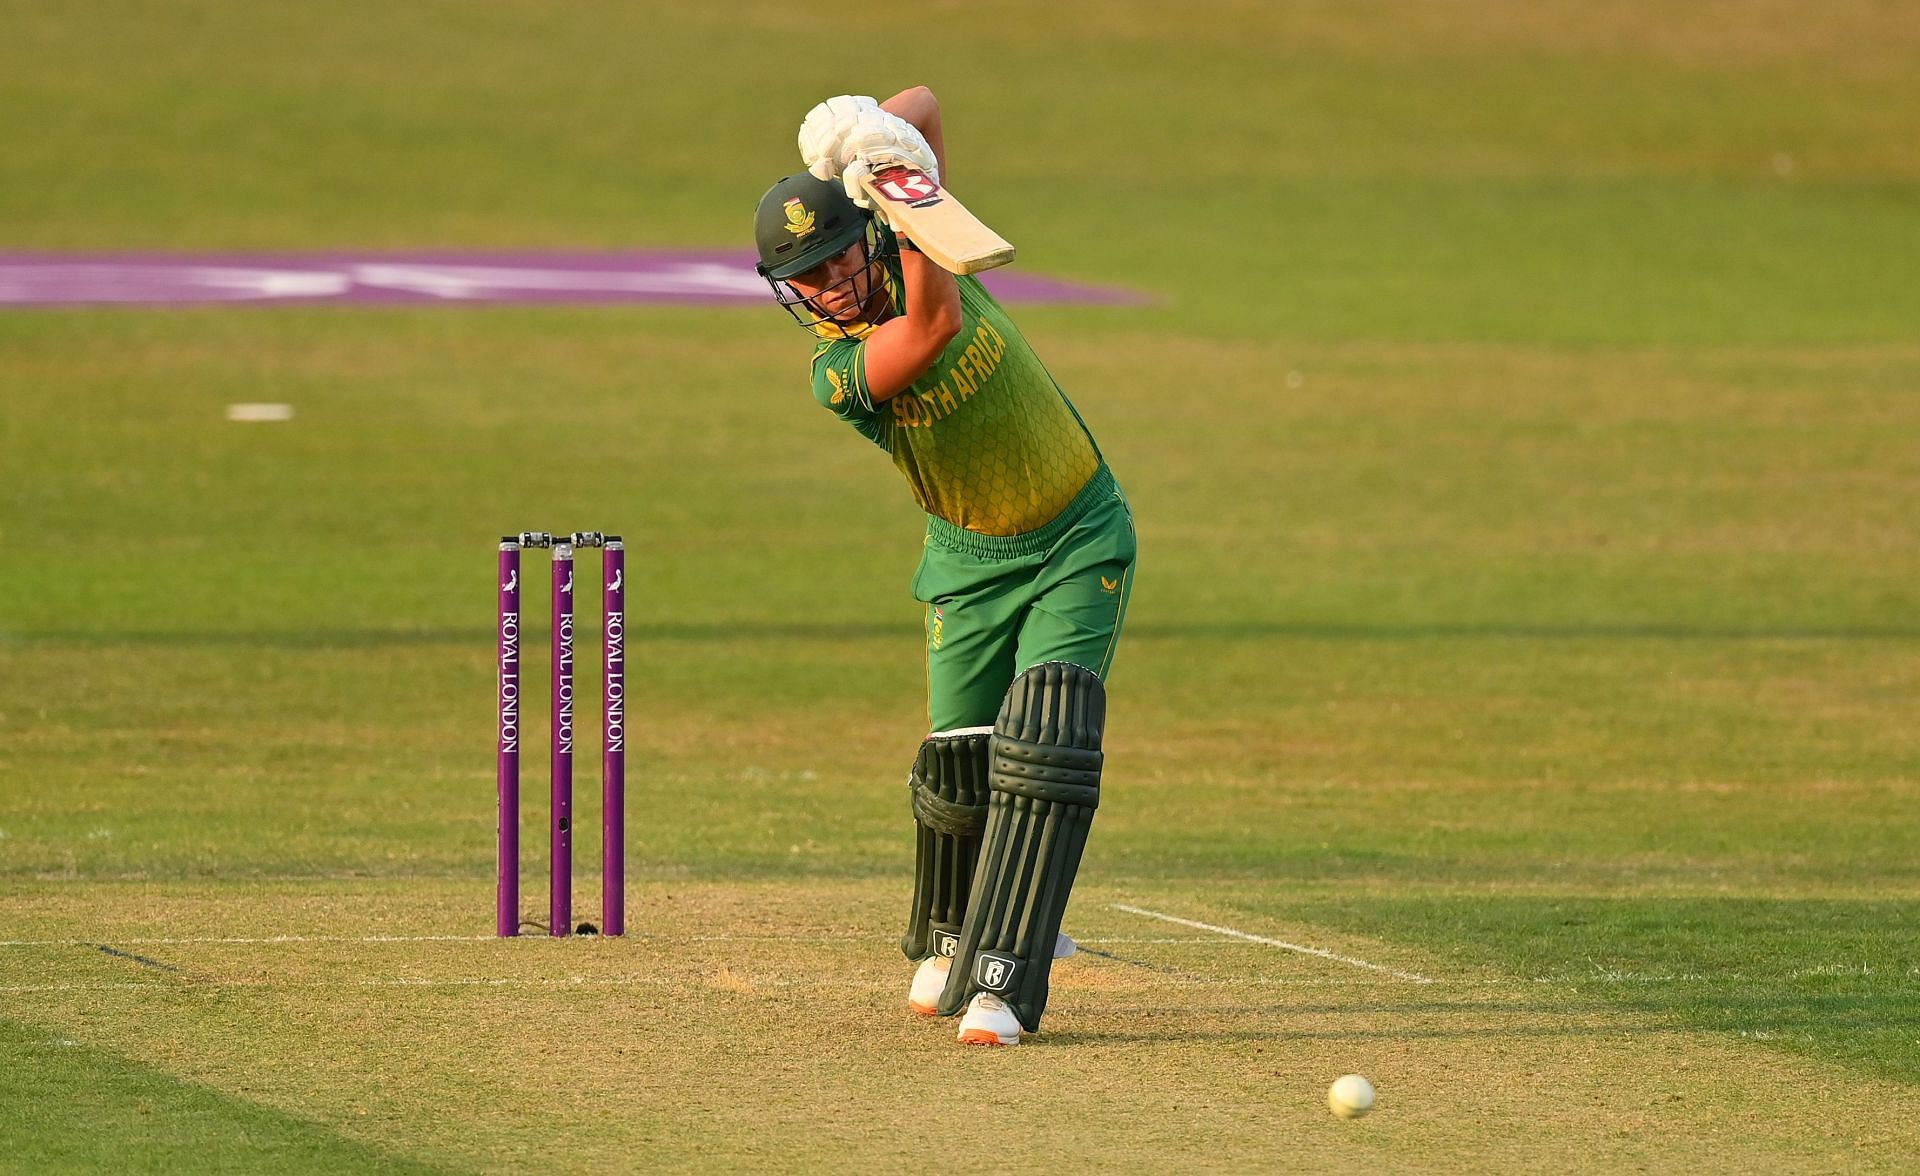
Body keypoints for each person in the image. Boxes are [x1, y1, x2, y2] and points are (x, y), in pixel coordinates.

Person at [753, 87, 1136, 1046]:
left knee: (1045, 739)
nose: (832, 284)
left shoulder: (924, 244)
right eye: (807, 275)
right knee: (959, 766)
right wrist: (899, 192)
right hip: (967, 565)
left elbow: (923, 100)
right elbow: (929, 326)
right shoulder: (840, 370)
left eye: (838, 256)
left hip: (1078, 533)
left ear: (867, 241)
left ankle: (1003, 981)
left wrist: (875, 140)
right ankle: (946, 938)